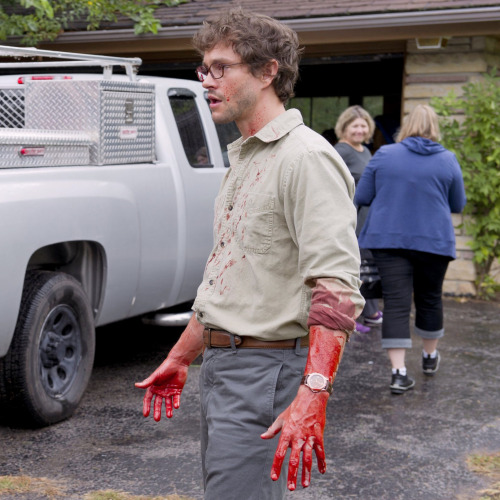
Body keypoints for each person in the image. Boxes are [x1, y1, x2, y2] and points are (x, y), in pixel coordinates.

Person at [135, 8, 365, 500]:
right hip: (223, 369)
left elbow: (336, 288)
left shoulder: (306, 158)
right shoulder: (245, 157)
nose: (206, 81)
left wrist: (314, 391)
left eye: (221, 67)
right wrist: (181, 356)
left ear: (267, 72)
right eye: (203, 69)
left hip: (266, 372)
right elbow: (228, 280)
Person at [354, 104, 466, 395]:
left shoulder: (385, 155)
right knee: (430, 299)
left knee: (396, 303)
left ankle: (398, 373)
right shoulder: (448, 159)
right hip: (434, 242)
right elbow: (458, 204)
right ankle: (429, 357)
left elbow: (363, 195)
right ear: (435, 127)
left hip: (388, 240)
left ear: (405, 127)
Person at [334, 105, 383, 334]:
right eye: (355, 125)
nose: (360, 130)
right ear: (345, 127)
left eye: (363, 125)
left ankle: (370, 311)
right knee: (354, 265)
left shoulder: (365, 150)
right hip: (349, 215)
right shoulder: (341, 150)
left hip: (366, 216)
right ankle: (354, 318)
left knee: (366, 263)